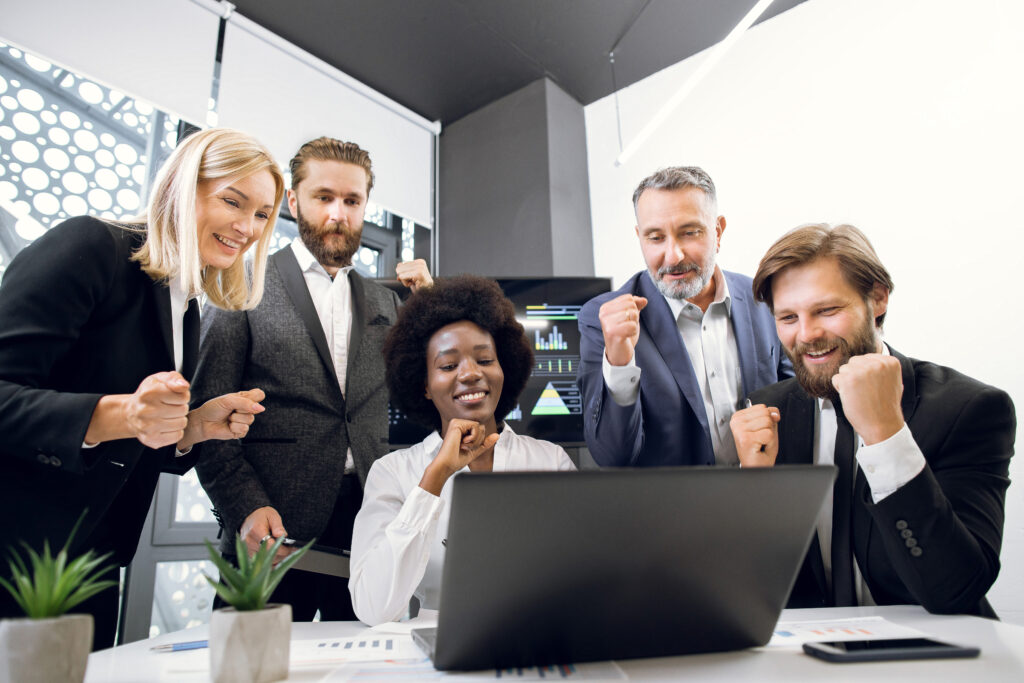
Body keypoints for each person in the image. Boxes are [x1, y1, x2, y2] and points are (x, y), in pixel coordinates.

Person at [0, 127, 281, 648]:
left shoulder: (186, 306)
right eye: (233, 201)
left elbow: (137, 439)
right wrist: (123, 415)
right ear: (181, 186)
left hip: (92, 561)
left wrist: (192, 427)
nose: (247, 227)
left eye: (263, 215)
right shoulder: (90, 246)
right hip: (17, 555)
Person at [192, 137, 432, 621]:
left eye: (352, 201)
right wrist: (245, 508)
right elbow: (208, 421)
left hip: (369, 522)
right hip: (271, 526)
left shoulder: (387, 302)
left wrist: (431, 303)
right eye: (324, 197)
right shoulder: (239, 281)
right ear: (293, 200)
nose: (338, 214)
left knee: (368, 669)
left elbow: (432, 393)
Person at [730, 223, 1015, 617]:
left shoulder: (969, 408)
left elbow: (956, 590)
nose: (807, 334)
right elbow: (750, 595)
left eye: (826, 310)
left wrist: (887, 435)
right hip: (806, 661)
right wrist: (754, 489)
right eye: (788, 318)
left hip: (934, 657)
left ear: (877, 299)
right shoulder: (765, 412)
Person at [349, 275, 576, 626]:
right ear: (424, 385)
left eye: (484, 360)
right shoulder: (393, 473)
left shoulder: (550, 461)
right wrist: (433, 480)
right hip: (438, 649)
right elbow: (373, 608)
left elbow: (580, 576)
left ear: (505, 369)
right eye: (449, 365)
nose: (470, 374)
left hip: (535, 637)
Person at [577, 166, 790, 467]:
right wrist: (620, 363)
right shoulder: (603, 320)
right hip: (670, 512)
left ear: (717, 231)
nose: (673, 255)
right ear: (640, 237)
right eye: (655, 238)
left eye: (689, 232)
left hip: (763, 500)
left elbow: (799, 409)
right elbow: (614, 457)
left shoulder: (766, 299)